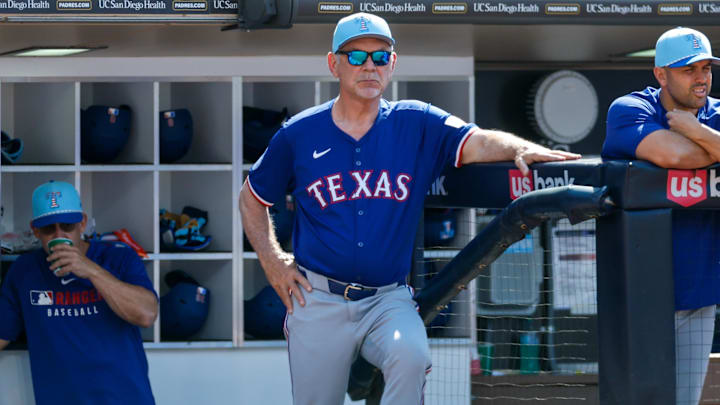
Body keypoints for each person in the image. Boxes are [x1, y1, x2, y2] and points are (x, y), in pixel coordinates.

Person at [239, 12, 580, 405]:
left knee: (411, 355)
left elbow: (477, 141)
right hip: (319, 298)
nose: (369, 65)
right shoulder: (299, 133)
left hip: (388, 299)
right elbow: (252, 196)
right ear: (334, 63)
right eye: (356, 56)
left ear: (392, 64)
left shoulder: (416, 121)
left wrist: (519, 147)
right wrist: (273, 259)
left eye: (380, 57)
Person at [603, 26, 720, 405]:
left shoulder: (715, 113)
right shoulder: (631, 109)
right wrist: (711, 145)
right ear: (660, 74)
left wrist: (694, 129)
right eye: (688, 70)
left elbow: (685, 148)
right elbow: (674, 157)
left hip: (698, 292)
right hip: (637, 295)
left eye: (706, 68)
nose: (701, 78)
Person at [0, 180, 158, 405]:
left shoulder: (119, 258)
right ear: (34, 229)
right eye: (48, 229)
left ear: (82, 223)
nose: (58, 235)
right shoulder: (25, 270)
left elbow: (147, 314)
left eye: (67, 226)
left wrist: (90, 270)